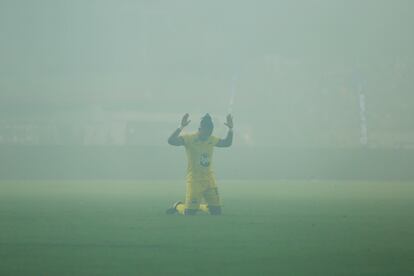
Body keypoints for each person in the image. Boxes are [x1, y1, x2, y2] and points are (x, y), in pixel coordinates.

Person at [166, 113, 233, 215]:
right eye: (206, 132)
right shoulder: (189, 139)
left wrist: (230, 129)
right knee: (189, 213)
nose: (208, 135)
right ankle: (178, 206)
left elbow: (227, 143)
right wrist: (181, 126)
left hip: (209, 180)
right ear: (200, 128)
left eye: (210, 132)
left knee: (216, 212)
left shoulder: (212, 139)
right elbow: (171, 141)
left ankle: (201, 206)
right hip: (194, 181)